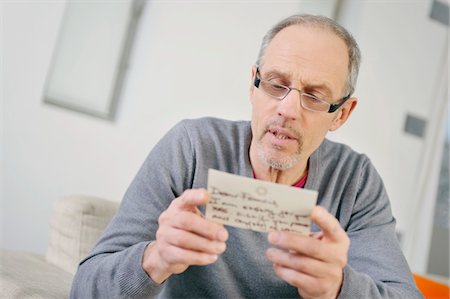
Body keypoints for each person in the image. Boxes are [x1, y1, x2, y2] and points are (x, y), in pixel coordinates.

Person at [71, 14, 423, 299]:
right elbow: (85, 288)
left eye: (315, 96)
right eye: (275, 84)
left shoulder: (355, 181)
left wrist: (339, 289)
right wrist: (155, 259)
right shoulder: (192, 147)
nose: (287, 109)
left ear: (341, 115)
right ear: (253, 84)